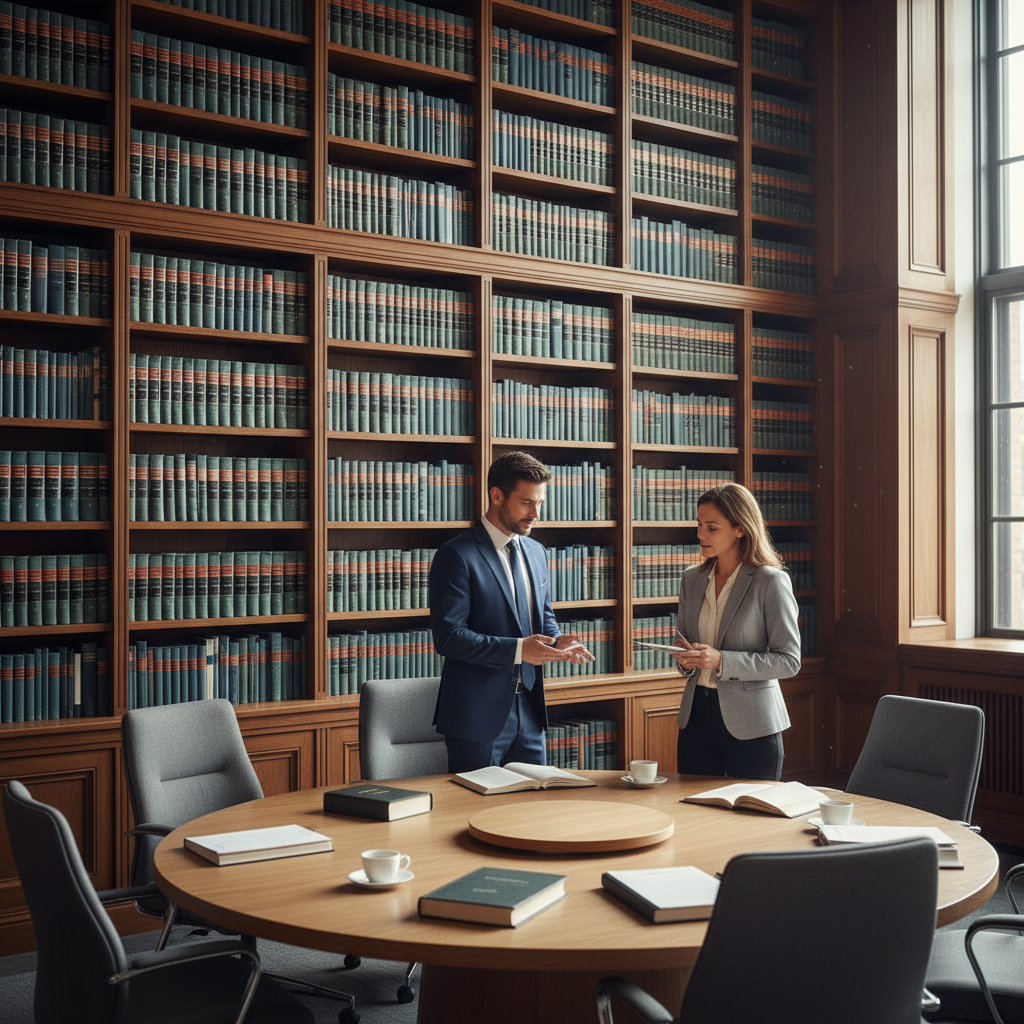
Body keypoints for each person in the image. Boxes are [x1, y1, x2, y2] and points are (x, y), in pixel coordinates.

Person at [429, 450, 594, 773]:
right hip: (476, 717)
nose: (536, 513)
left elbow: (542, 616)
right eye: (526, 502)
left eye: (540, 503)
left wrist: (557, 641)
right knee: (472, 812)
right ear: (496, 496)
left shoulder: (536, 551)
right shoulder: (456, 555)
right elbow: (448, 638)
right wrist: (521, 650)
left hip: (530, 712)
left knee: (533, 814)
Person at [672, 482, 801, 780]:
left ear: (740, 529)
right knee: (698, 817)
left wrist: (722, 661)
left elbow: (789, 661)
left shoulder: (770, 582)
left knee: (751, 822)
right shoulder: (692, 579)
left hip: (752, 723)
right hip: (696, 719)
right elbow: (684, 643)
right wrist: (685, 659)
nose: (700, 534)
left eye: (712, 527)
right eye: (699, 524)